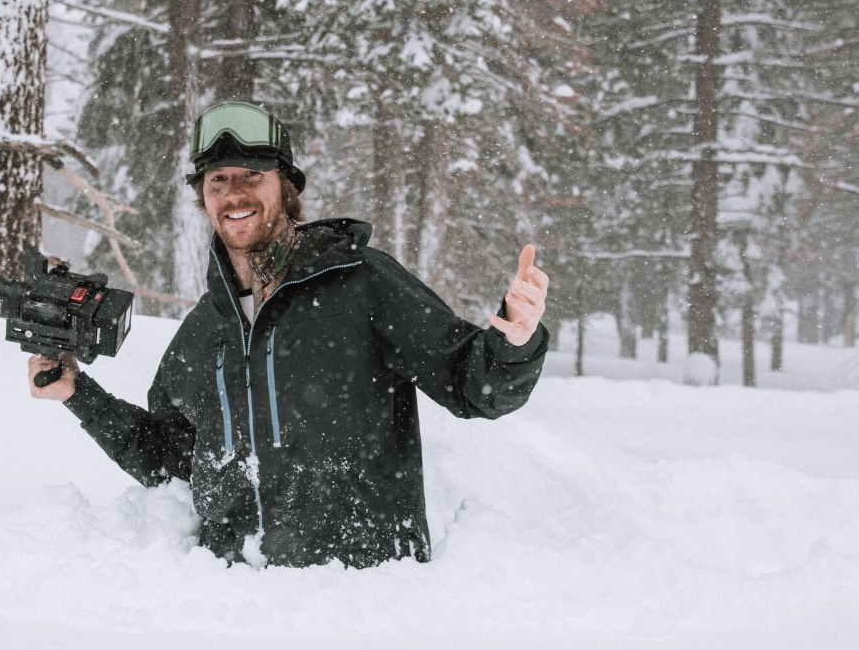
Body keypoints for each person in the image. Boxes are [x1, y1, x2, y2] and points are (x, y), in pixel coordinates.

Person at [28, 101, 550, 568]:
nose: (234, 193)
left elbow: (473, 386)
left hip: (367, 601)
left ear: (286, 186)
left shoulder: (361, 283)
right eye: (217, 181)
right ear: (202, 200)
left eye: (252, 175)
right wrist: (79, 394)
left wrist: (515, 340)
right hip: (244, 610)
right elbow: (173, 463)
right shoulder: (201, 334)